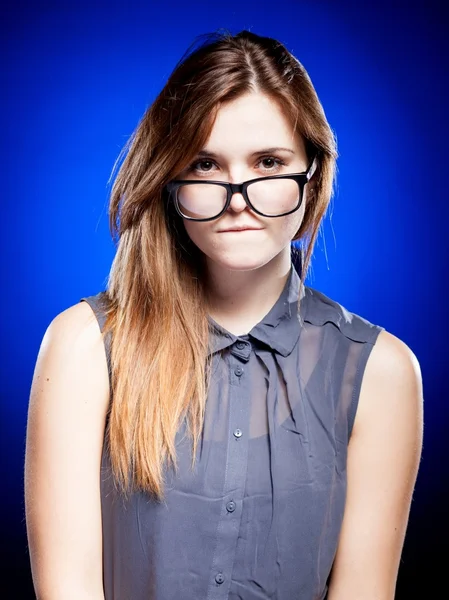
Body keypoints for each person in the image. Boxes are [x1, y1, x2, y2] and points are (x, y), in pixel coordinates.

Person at [24, 29, 423, 600]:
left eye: (268, 162)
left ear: (312, 174)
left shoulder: (381, 374)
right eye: (207, 164)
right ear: (169, 179)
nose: (238, 196)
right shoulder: (84, 349)